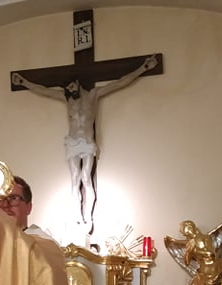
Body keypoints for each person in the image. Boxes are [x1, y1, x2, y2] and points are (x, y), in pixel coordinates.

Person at [11, 55, 158, 231]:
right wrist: (24, 82)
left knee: (86, 177)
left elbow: (119, 83)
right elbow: (43, 90)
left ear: (78, 83)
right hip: (72, 142)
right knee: (75, 179)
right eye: (67, 88)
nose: (69, 90)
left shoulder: (93, 95)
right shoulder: (67, 98)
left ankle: (88, 216)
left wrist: (143, 68)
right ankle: (77, 217)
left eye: (71, 86)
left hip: (87, 142)